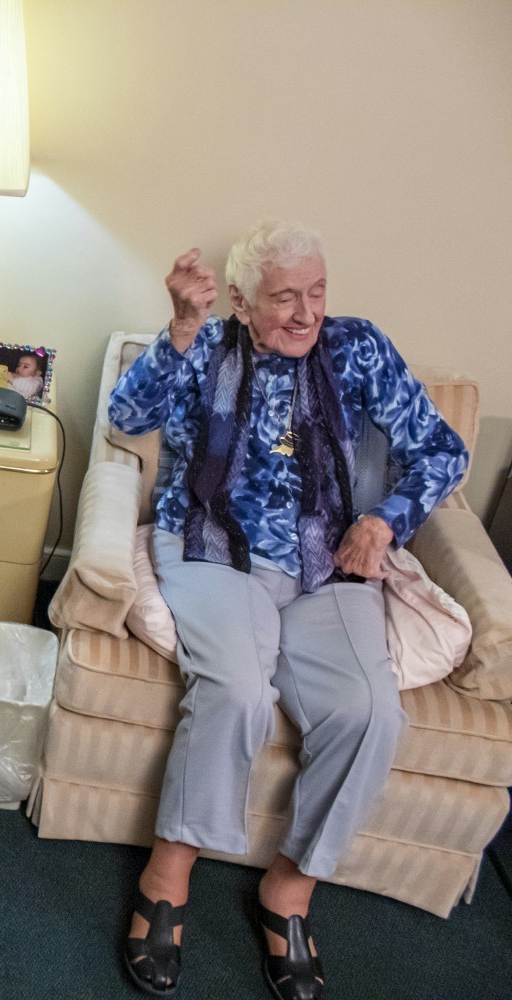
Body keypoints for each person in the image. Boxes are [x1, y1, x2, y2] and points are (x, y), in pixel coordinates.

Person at [109, 221, 467, 999]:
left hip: (329, 562)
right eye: (283, 299)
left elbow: (443, 450)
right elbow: (127, 417)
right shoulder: (206, 343)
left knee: (372, 712)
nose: (305, 314)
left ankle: (291, 887)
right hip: (217, 547)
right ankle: (170, 871)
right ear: (241, 301)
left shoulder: (358, 347)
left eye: (317, 293)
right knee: (236, 690)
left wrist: (385, 521)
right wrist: (176, 328)